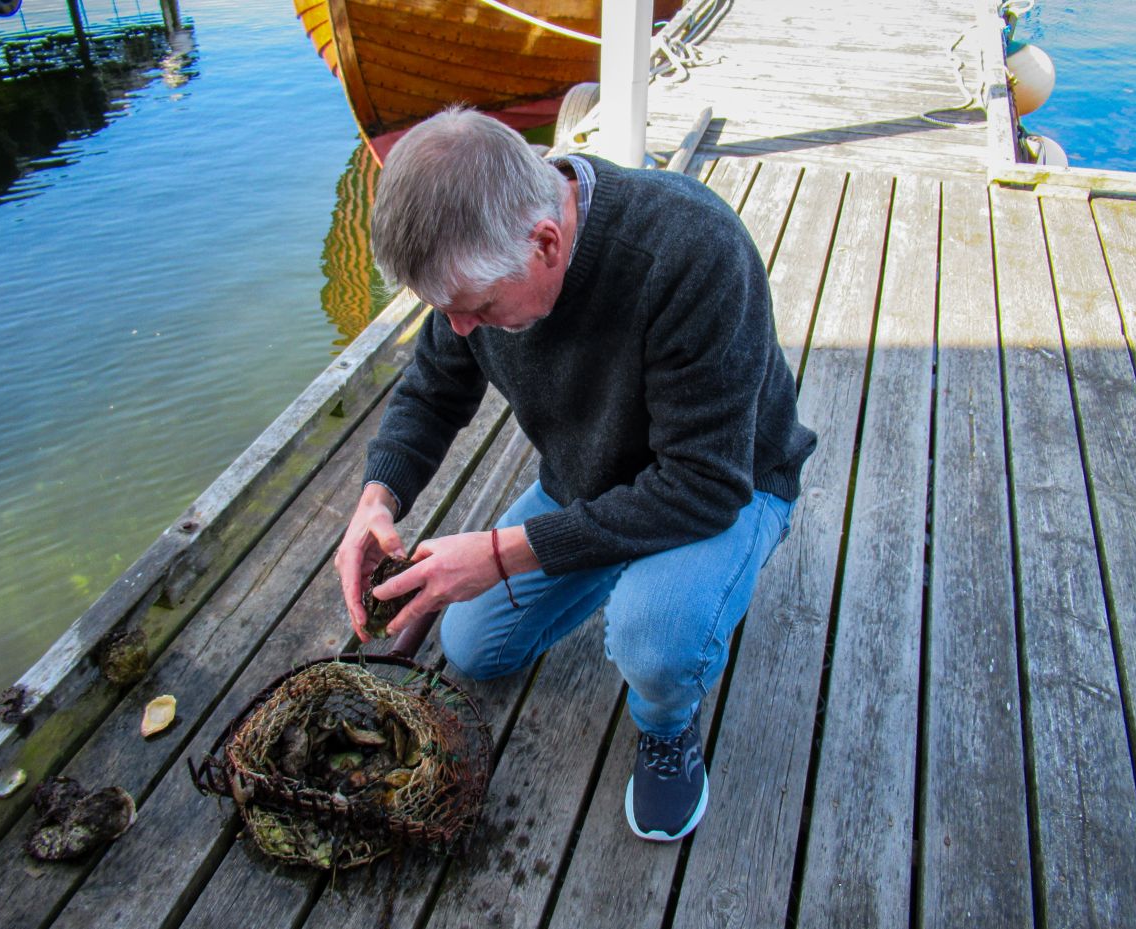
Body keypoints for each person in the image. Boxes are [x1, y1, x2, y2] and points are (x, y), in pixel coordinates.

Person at [334, 106, 816, 842]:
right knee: (473, 646)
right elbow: (434, 388)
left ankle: (665, 722)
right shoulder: (483, 252)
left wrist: (499, 552)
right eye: (446, 310)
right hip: (589, 479)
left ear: (547, 243)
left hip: (729, 484)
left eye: (476, 309)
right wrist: (378, 495)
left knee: (654, 636)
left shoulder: (693, 253)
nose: (460, 328)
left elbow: (704, 486)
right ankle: (619, 559)